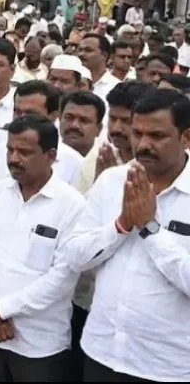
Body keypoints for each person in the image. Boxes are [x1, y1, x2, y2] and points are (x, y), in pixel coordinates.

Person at [66, 89, 190, 382]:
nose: (143, 145)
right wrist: (120, 226)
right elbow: (74, 256)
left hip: (166, 366)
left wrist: (150, 229)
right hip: (101, 351)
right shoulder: (111, 181)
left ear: (186, 137)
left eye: (157, 136)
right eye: (137, 133)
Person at [0, 115, 85, 381]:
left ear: (50, 155)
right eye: (10, 149)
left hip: (40, 344)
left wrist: (1, 310)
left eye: (24, 152)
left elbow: (61, 279)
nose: (14, 158)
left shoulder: (71, 205)